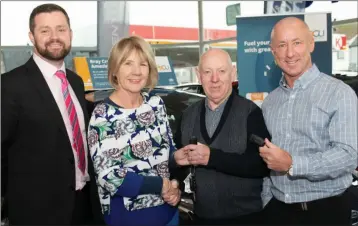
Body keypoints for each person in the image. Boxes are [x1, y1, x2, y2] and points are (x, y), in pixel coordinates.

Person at [1, 3, 103, 225]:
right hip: (37, 212)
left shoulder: (75, 82)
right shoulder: (9, 85)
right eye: (45, 30)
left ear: (70, 34)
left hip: (83, 205)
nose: (54, 37)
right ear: (31, 36)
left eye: (61, 29)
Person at [259, 17, 358, 226]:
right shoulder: (270, 102)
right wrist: (267, 200)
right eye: (282, 45)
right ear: (273, 51)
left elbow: (349, 155)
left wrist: (293, 164)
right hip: (278, 211)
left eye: (297, 42)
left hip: (326, 211)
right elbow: (267, 160)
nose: (290, 53)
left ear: (311, 43)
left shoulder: (339, 93)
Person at [87, 36, 180, 226]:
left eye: (143, 64)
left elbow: (167, 155)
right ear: (115, 69)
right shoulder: (103, 116)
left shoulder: (156, 104)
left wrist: (176, 182)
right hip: (128, 219)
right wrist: (160, 185)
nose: (136, 71)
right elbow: (109, 177)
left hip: (169, 214)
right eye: (128, 63)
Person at [170, 48, 270, 225]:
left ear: (232, 74)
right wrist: (175, 171)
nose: (214, 79)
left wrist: (212, 157)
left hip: (246, 218)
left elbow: (261, 165)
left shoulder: (250, 112)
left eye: (221, 71)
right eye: (207, 72)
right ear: (198, 76)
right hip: (201, 217)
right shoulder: (188, 116)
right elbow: (178, 163)